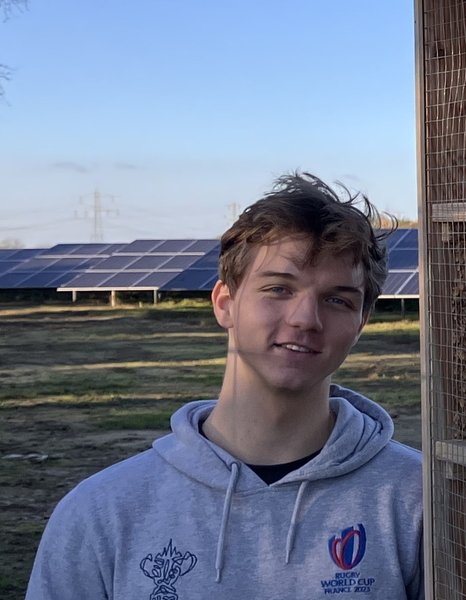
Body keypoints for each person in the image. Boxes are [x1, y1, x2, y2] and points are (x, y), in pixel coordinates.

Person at [28, 174, 423, 599]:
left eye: (337, 299)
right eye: (278, 289)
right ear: (224, 304)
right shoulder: (102, 512)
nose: (305, 319)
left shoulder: (419, 500)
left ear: (361, 322)